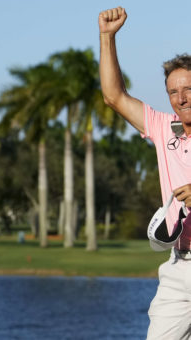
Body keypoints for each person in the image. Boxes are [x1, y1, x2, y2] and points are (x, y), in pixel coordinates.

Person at [99, 6, 191, 339]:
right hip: (179, 264)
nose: (180, 98)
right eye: (173, 92)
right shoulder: (165, 126)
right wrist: (107, 37)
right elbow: (113, 96)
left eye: (188, 89)